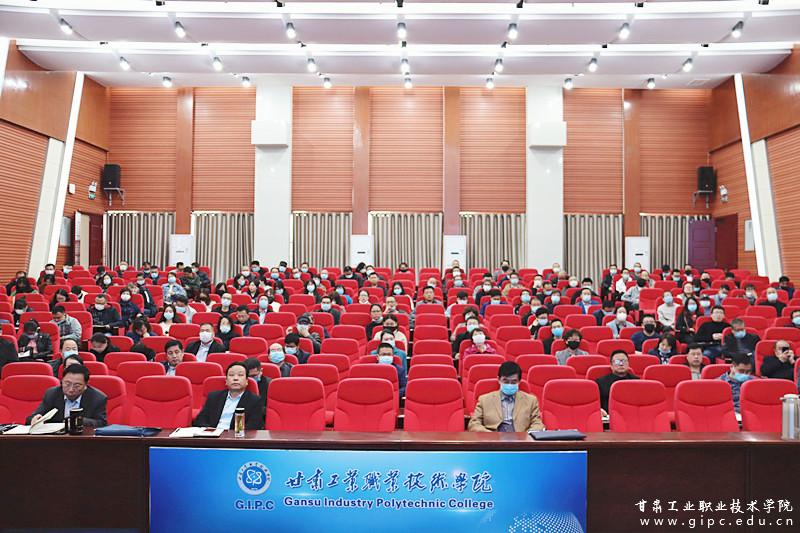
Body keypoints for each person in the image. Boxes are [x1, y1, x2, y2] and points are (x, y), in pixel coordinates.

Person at [468, 361, 544, 432]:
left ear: (519, 381)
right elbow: (474, 424)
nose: (509, 384)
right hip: (493, 438)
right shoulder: (484, 400)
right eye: (506, 381)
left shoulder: (531, 401)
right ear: (499, 380)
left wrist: (525, 436)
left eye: (513, 382)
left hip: (521, 439)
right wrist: (490, 435)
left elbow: (537, 424)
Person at [28, 364, 106, 427]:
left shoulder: (97, 398)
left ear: (86, 385)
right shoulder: (52, 394)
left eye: (77, 386)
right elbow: (33, 417)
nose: (71, 389)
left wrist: (79, 421)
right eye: (67, 384)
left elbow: (102, 423)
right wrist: (35, 419)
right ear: (62, 381)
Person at [192, 362, 263, 430]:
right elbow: (199, 421)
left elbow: (254, 427)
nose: (235, 378)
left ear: (247, 381)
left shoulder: (255, 401)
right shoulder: (214, 397)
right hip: (213, 435)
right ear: (226, 381)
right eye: (231, 375)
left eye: (240, 375)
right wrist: (211, 431)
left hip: (236, 436)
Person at [596, 351, 639, 415]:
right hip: (608, 417)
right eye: (617, 361)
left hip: (631, 415)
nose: (621, 364)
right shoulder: (600, 382)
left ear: (628, 364)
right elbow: (596, 404)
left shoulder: (637, 381)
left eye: (624, 361)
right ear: (611, 365)